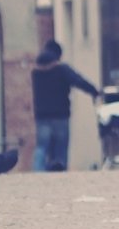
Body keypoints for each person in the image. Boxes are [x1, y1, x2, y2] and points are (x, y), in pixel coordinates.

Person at [30, 40, 98, 171]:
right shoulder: (62, 69)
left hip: (42, 115)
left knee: (42, 146)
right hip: (60, 114)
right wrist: (94, 91)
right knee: (60, 147)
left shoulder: (36, 72)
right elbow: (78, 81)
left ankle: (38, 170)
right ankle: (59, 171)